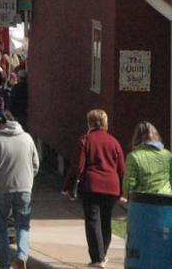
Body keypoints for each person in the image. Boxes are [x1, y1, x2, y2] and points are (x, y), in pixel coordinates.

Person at [61, 109, 125, 268]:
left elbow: (77, 167)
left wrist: (67, 187)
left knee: (92, 221)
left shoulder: (85, 140)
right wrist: (122, 192)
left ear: (89, 122)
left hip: (92, 185)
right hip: (112, 186)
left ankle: (98, 257)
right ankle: (103, 253)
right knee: (105, 221)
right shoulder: (114, 142)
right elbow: (121, 169)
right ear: (105, 123)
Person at [0, 111, 39, 269]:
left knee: (0, 227)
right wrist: (28, 179)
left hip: (3, 189)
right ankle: (22, 255)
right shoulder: (27, 138)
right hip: (24, 189)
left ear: (0, 124)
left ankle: (4, 263)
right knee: (23, 225)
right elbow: (36, 164)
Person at [121, 121, 172, 201]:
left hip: (142, 204)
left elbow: (128, 187)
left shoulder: (133, 156)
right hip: (166, 202)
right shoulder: (167, 155)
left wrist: (127, 197)